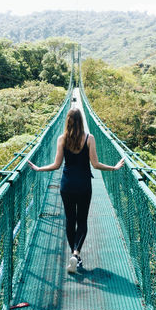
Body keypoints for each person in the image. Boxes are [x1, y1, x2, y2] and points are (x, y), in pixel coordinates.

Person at [28, 108, 124, 273]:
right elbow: (95, 164)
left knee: (70, 220)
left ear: (68, 120)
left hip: (67, 185)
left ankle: (74, 256)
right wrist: (114, 168)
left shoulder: (62, 139)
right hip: (84, 185)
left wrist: (39, 169)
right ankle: (76, 253)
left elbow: (56, 165)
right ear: (81, 121)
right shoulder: (89, 138)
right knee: (82, 220)